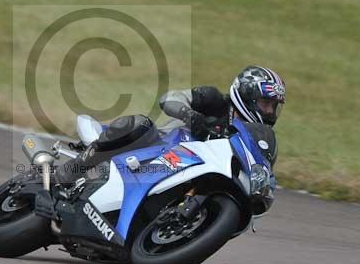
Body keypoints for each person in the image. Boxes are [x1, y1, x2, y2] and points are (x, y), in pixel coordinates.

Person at [53, 65, 286, 186]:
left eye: (274, 106)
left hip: (193, 171)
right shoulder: (214, 100)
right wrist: (191, 116)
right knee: (139, 124)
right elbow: (169, 98)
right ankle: (70, 171)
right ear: (246, 95)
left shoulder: (256, 137)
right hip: (160, 147)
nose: (269, 112)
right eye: (266, 103)